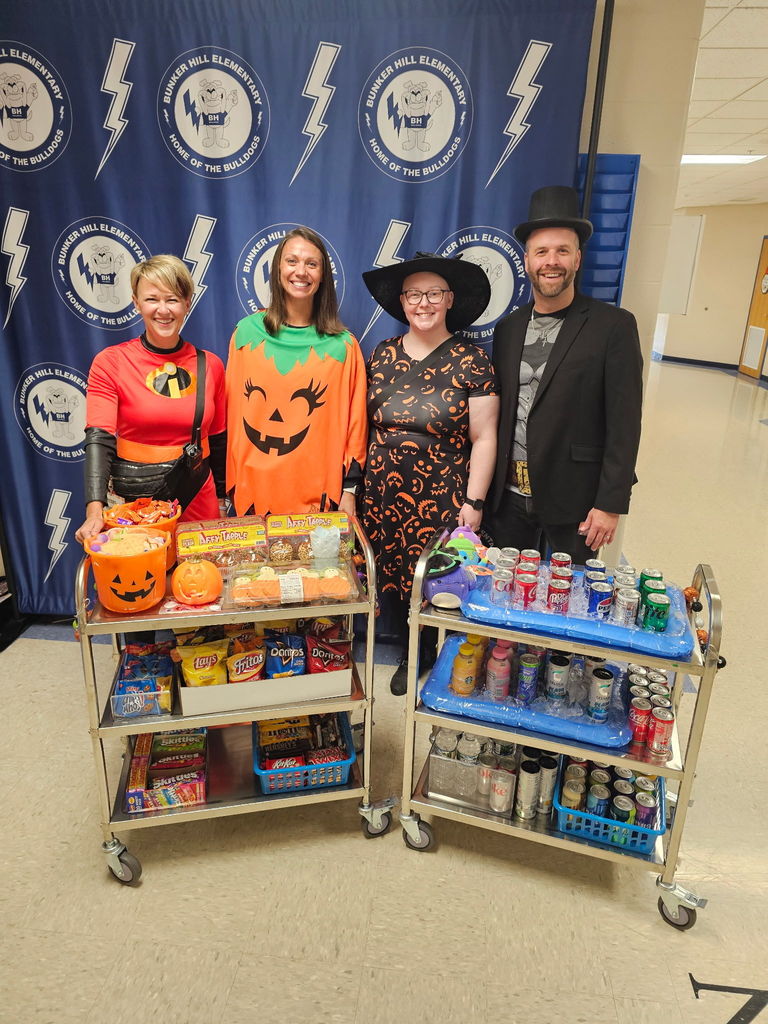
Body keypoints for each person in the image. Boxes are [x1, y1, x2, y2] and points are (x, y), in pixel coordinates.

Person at [361, 253, 499, 694]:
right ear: (402, 302)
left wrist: (474, 501)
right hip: (382, 490)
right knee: (390, 573)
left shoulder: (473, 360)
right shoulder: (381, 354)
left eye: (434, 293)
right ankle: (405, 645)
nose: (424, 302)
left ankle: (424, 651)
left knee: (432, 573)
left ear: (450, 299)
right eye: (414, 294)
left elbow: (485, 436)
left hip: (442, 490)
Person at [488, 186, 643, 563]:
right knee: (506, 593)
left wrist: (610, 503)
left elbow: (624, 423)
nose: (551, 261)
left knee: (570, 594)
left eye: (562, 250)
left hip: (578, 500)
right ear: (526, 260)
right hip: (507, 500)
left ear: (578, 258)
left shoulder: (614, 326)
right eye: (541, 252)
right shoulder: (507, 328)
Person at [75, 254, 227, 544]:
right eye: (152, 299)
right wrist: (95, 511)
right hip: (135, 501)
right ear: (136, 303)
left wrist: (222, 501)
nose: (163, 310)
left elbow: (219, 439)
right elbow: (99, 438)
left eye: (172, 299)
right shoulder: (111, 362)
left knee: (202, 570)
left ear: (187, 304)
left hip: (198, 495)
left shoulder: (211, 365)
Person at [225, 227, 367, 516]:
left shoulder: (343, 346)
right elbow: (231, 418)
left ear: (323, 275)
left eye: (311, 264)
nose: (301, 271)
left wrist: (350, 491)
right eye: (292, 261)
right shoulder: (245, 335)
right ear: (278, 269)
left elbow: (356, 426)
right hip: (252, 497)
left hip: (318, 501)